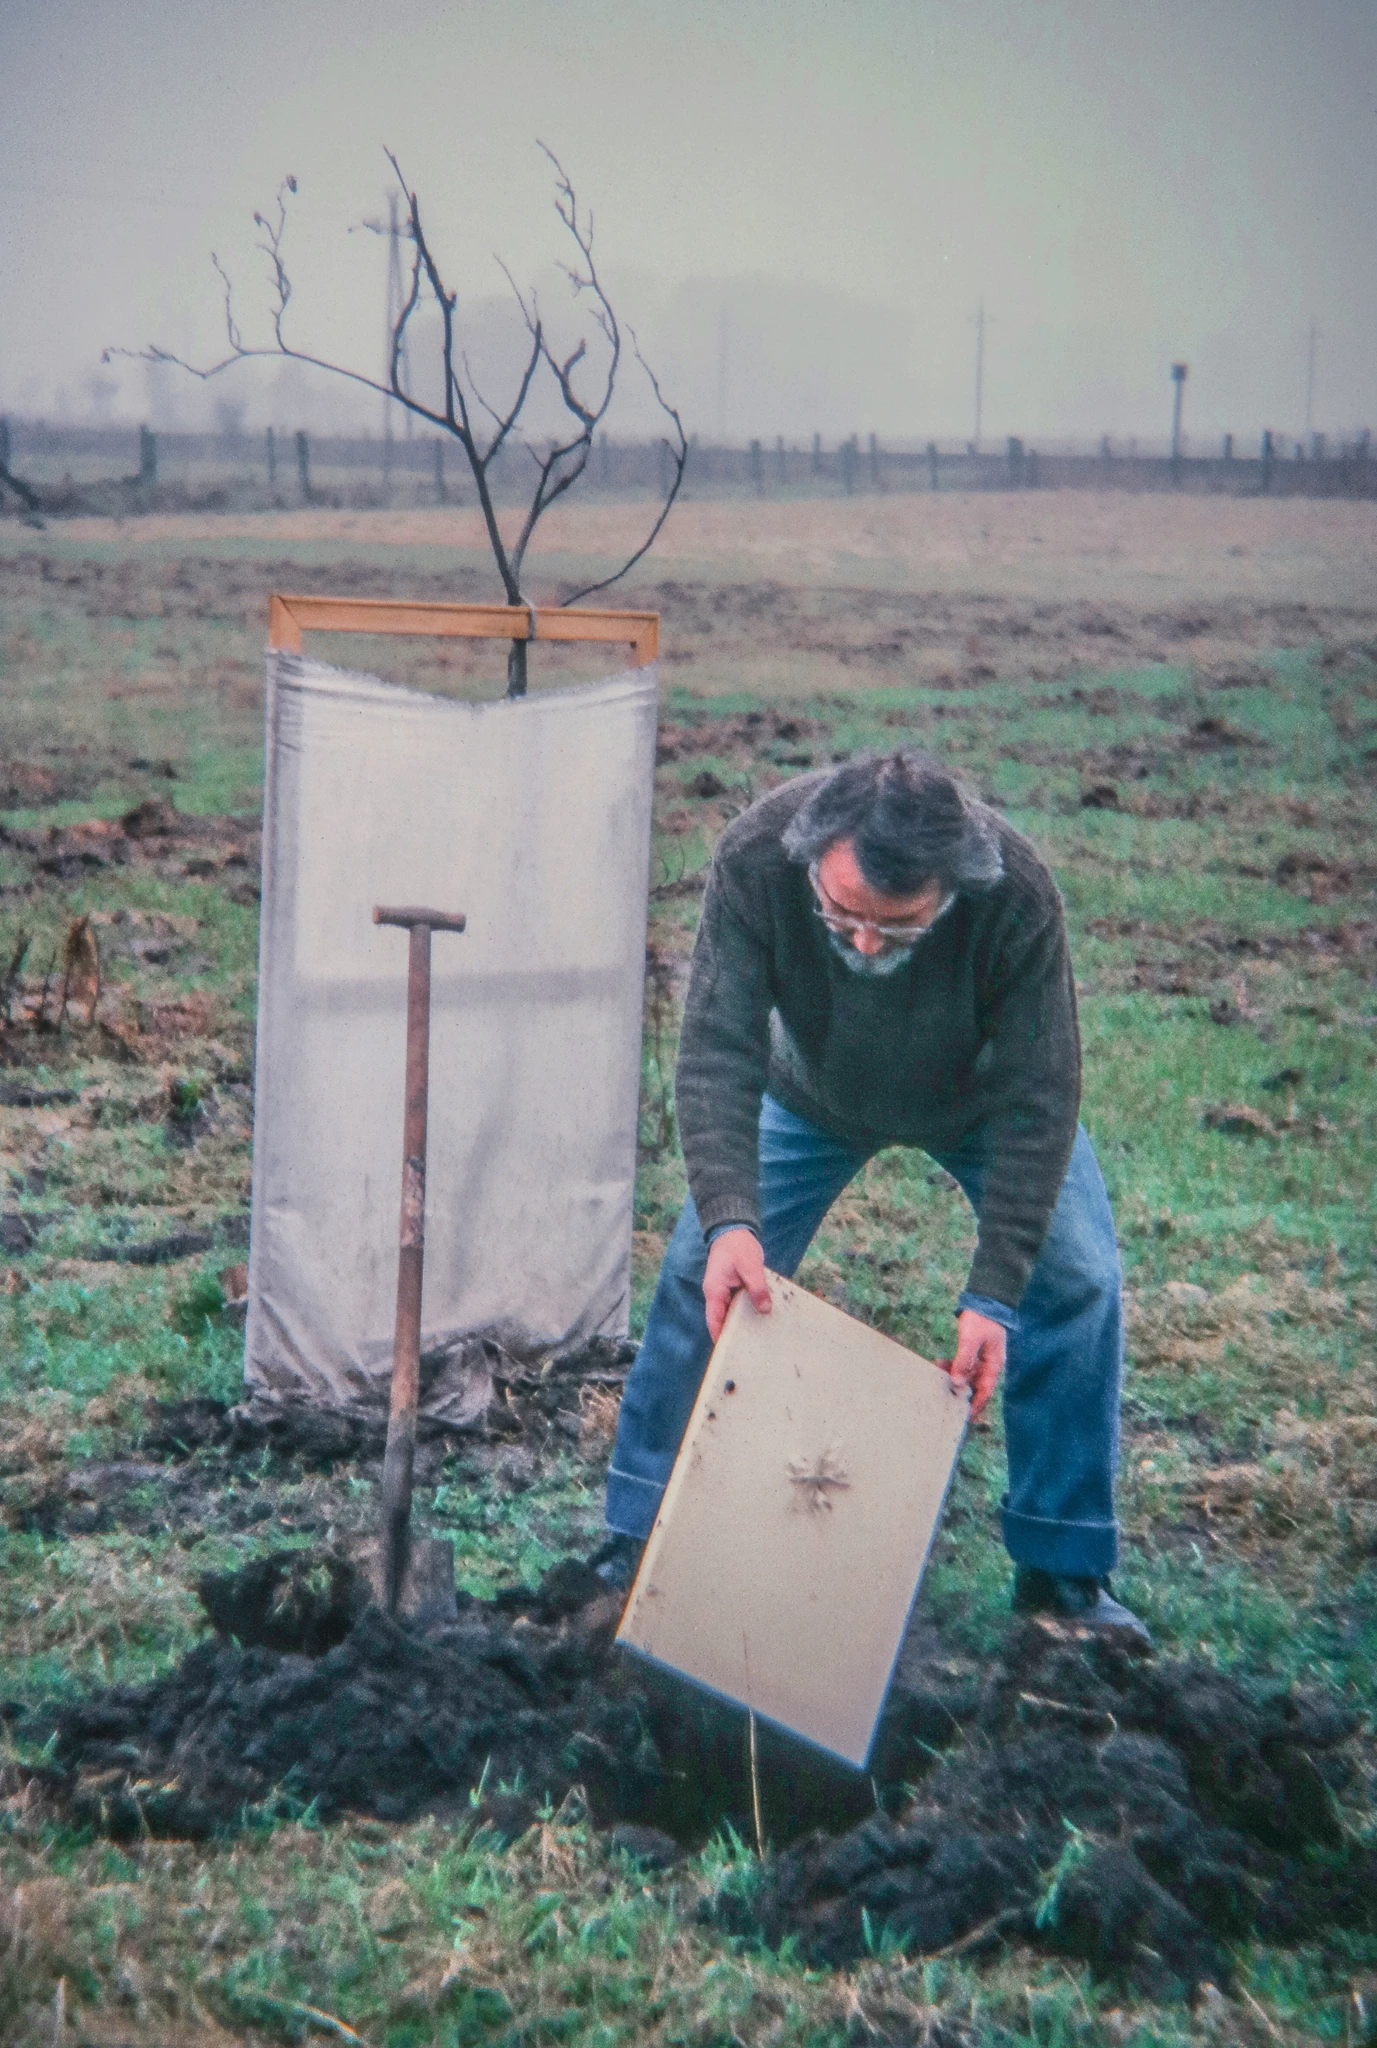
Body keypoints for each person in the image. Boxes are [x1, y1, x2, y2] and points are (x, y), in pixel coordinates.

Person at [592, 751, 1147, 1644]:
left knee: (1079, 1278)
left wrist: (994, 1293)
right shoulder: (755, 854)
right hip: (808, 1092)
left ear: (951, 889)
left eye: (898, 928)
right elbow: (719, 1046)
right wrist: (731, 1218)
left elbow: (1040, 1095)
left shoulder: (1015, 891)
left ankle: (1061, 1569)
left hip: (977, 1103)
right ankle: (639, 1532)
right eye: (841, 915)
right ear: (811, 859)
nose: (862, 944)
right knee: (702, 1266)